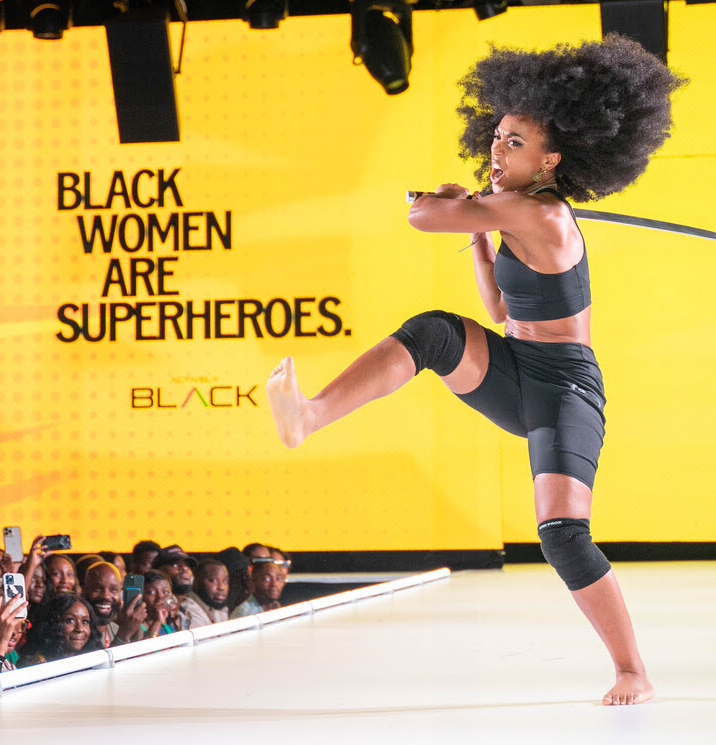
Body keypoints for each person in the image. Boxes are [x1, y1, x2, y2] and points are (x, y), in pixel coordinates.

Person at [265, 35, 681, 706]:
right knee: (435, 332)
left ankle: (633, 669)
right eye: (496, 137)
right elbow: (498, 309)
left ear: (551, 159)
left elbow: (420, 215)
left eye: (515, 142)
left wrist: (451, 202)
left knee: (562, 535)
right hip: (516, 366)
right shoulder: (516, 213)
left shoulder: (540, 212)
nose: (497, 150)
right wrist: (479, 232)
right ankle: (310, 415)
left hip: (565, 389)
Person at [16, 594, 104, 666]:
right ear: (51, 625)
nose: (79, 629)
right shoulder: (37, 667)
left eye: (85, 622)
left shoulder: (92, 662)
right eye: (70, 620)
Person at [80, 561, 145, 646]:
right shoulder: (78, 630)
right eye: (97, 589)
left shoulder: (115, 628)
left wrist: (136, 625)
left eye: (113, 590)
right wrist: (124, 634)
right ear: (83, 590)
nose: (106, 596)